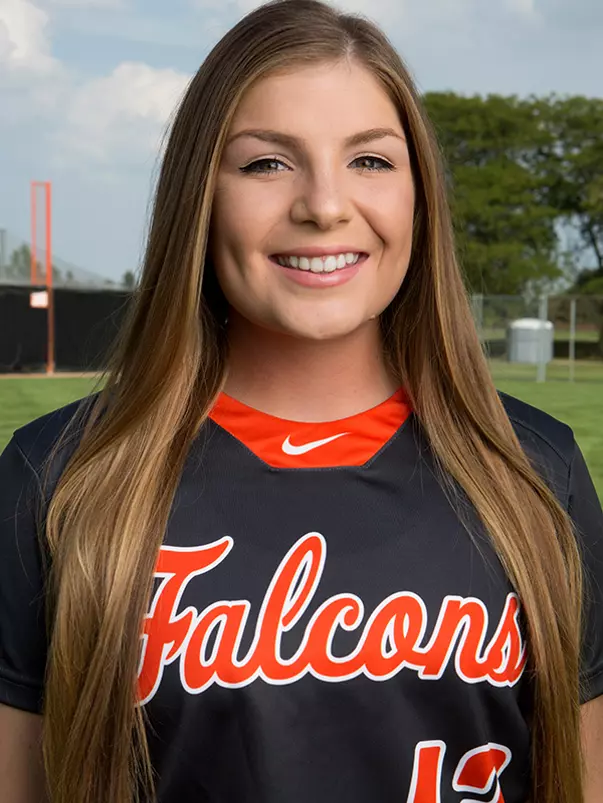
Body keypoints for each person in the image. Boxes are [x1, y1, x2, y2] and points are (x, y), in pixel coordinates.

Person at [1, 1, 602, 801]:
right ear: (198, 197)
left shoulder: (535, 471)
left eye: (370, 161)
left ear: (418, 197)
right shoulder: (58, 479)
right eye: (266, 163)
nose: (323, 204)